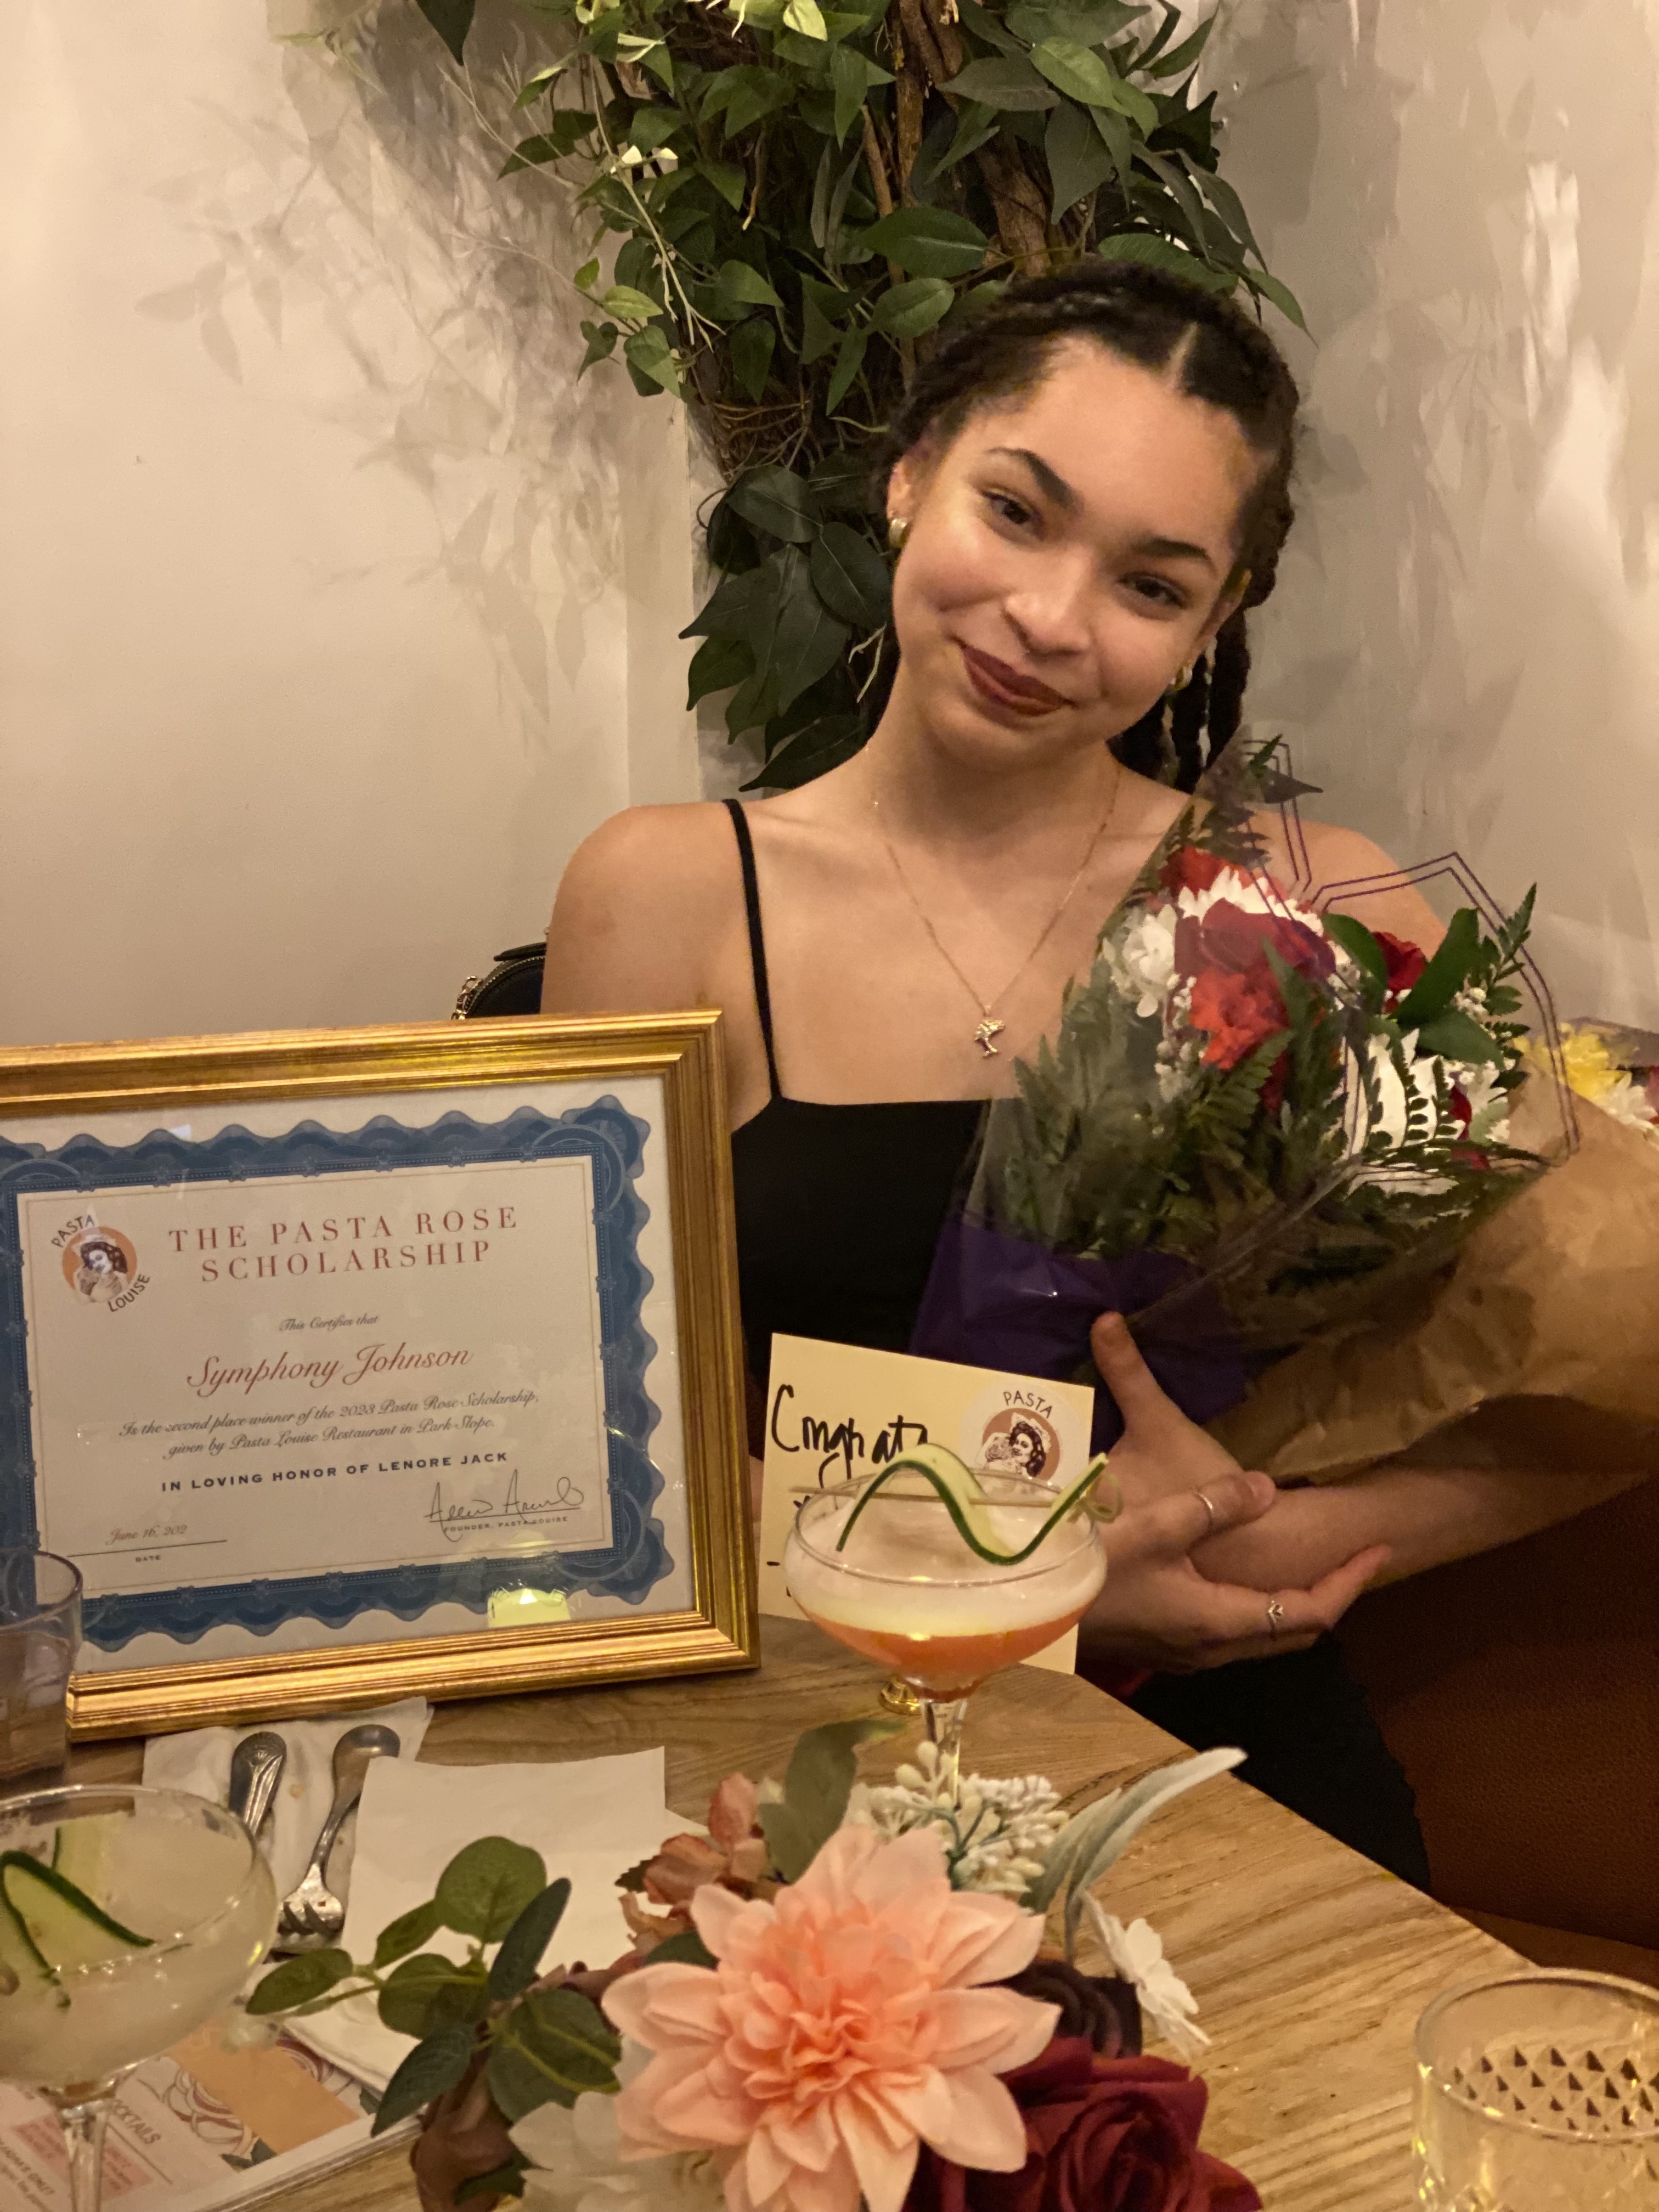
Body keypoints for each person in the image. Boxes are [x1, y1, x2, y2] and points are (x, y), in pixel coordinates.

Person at [542, 262, 1647, 1883]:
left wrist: (1271, 1541)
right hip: (813, 1764)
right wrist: (1041, 1570)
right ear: (911, 475)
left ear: (1216, 619)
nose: (1050, 619)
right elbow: (589, 1450)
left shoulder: (1307, 906)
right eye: (1016, 510)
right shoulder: (668, 897)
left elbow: (1595, 1381)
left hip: (1227, 1767)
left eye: (1149, 583)